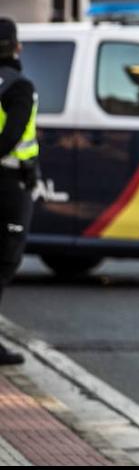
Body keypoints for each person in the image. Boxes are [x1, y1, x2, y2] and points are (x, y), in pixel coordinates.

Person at [0, 19, 37, 366]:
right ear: (15, 47)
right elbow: (11, 136)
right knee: (5, 260)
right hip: (9, 185)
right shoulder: (18, 86)